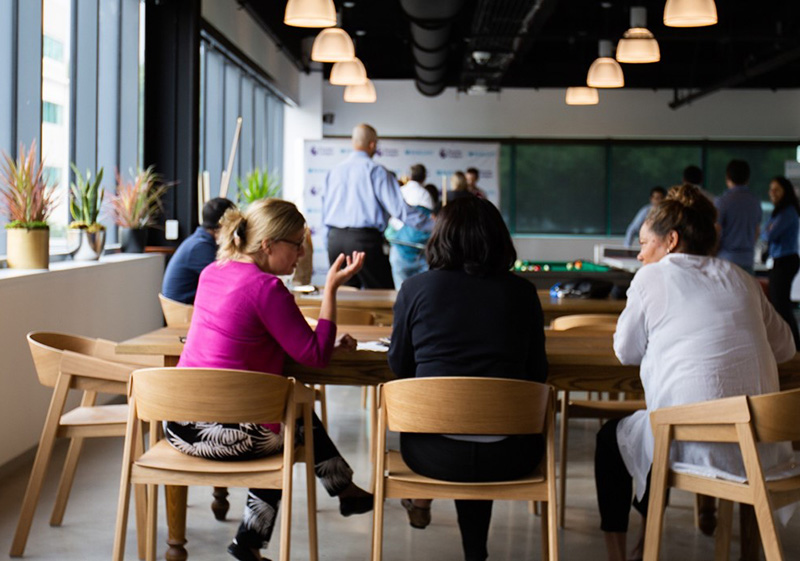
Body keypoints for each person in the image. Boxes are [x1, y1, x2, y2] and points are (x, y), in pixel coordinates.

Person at [165, 199, 374, 561]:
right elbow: (316, 358)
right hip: (222, 437)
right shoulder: (268, 288)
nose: (301, 253)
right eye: (296, 243)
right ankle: (250, 543)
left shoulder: (213, 271)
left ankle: (344, 490)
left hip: (180, 425)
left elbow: (249, 334)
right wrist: (331, 290)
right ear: (267, 245)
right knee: (288, 423)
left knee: (290, 415)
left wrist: (316, 341)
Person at [596, 184, 795, 561]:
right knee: (652, 430)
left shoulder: (652, 277)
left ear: (670, 240)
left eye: (643, 243)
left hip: (692, 440)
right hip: (761, 445)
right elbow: (785, 348)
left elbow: (625, 351)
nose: (640, 254)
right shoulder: (742, 278)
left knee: (616, 440)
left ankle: (625, 554)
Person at [388, 197, 548, 561]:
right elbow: (537, 374)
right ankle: (475, 552)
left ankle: (446, 524)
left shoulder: (415, 290)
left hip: (431, 454)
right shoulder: (522, 293)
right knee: (485, 422)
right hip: (512, 454)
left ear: (440, 237)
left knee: (456, 421)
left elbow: (399, 366)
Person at [322, 123, 432, 289]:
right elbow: (400, 210)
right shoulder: (376, 171)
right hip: (363, 242)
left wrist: (328, 242)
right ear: (372, 144)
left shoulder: (334, 171)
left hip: (335, 240)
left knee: (342, 298)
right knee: (382, 297)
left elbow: (325, 214)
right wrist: (434, 225)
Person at [161, 197, 236, 303]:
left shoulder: (198, 241)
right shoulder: (200, 247)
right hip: (184, 311)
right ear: (223, 224)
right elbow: (226, 279)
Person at [762, 175, 800, 348]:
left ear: (786, 191)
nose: (772, 193)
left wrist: (768, 230)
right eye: (771, 189)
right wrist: (767, 230)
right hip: (779, 259)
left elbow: (769, 234)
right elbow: (766, 231)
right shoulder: (779, 212)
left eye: (776, 189)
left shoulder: (788, 212)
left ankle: (794, 344)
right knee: (778, 302)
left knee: (781, 304)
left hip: (786, 260)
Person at [386, 164, 435, 288]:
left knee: (400, 293)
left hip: (398, 249)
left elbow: (392, 223)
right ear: (424, 178)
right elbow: (427, 225)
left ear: (409, 176)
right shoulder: (425, 195)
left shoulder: (399, 192)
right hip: (419, 253)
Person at [715, 159, 762, 273]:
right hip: (748, 260)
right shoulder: (755, 202)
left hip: (726, 260)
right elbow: (756, 231)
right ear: (747, 179)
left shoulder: (723, 201)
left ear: (727, 177)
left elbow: (717, 230)